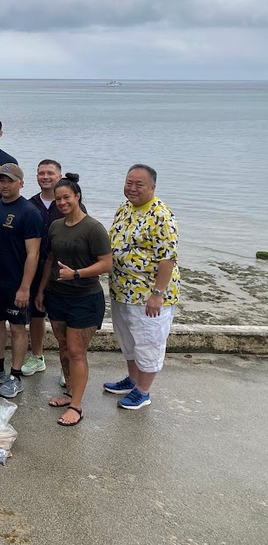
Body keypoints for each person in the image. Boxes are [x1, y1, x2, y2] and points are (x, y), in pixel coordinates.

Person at [34, 174, 112, 427]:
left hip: (85, 298)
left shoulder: (93, 228)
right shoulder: (55, 226)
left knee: (77, 352)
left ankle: (77, 406)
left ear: (77, 196)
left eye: (67, 197)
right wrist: (41, 290)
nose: (62, 202)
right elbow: (49, 260)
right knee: (64, 348)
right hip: (57, 297)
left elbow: (106, 264)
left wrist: (76, 273)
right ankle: (69, 392)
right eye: (58, 199)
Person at [105, 164, 181, 410]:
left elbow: (167, 258)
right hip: (121, 290)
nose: (132, 188)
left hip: (147, 294)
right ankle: (133, 380)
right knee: (128, 340)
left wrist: (157, 294)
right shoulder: (125, 208)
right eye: (129, 182)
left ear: (152, 187)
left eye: (139, 184)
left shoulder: (161, 215)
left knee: (149, 342)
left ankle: (143, 391)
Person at [0, 164, 43, 398]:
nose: (5, 184)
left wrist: (25, 288)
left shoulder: (29, 211)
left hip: (16, 283)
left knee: (17, 328)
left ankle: (15, 375)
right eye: (1, 180)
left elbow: (33, 254)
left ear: (21, 183)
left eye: (10, 180)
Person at [24, 159, 69, 380]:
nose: (45, 177)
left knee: (63, 319)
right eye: (41, 173)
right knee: (36, 314)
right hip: (35, 267)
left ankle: (66, 365)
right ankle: (37, 356)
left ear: (59, 177)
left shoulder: (69, 204)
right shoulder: (30, 204)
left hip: (63, 270)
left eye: (50, 173)